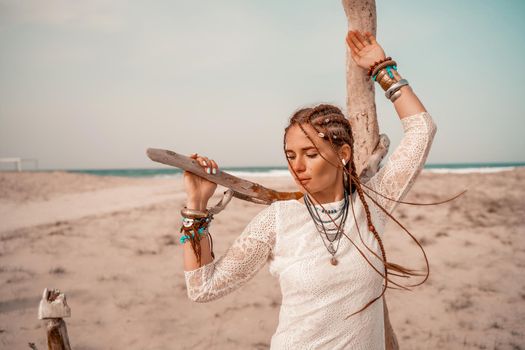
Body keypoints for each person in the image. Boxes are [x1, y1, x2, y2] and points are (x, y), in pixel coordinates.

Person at [180, 30, 437, 349]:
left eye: (311, 154)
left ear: (343, 154)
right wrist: (196, 207)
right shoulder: (278, 219)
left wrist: (382, 68)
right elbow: (203, 288)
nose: (297, 166)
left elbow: (421, 131)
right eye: (290, 155)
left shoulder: (374, 201)